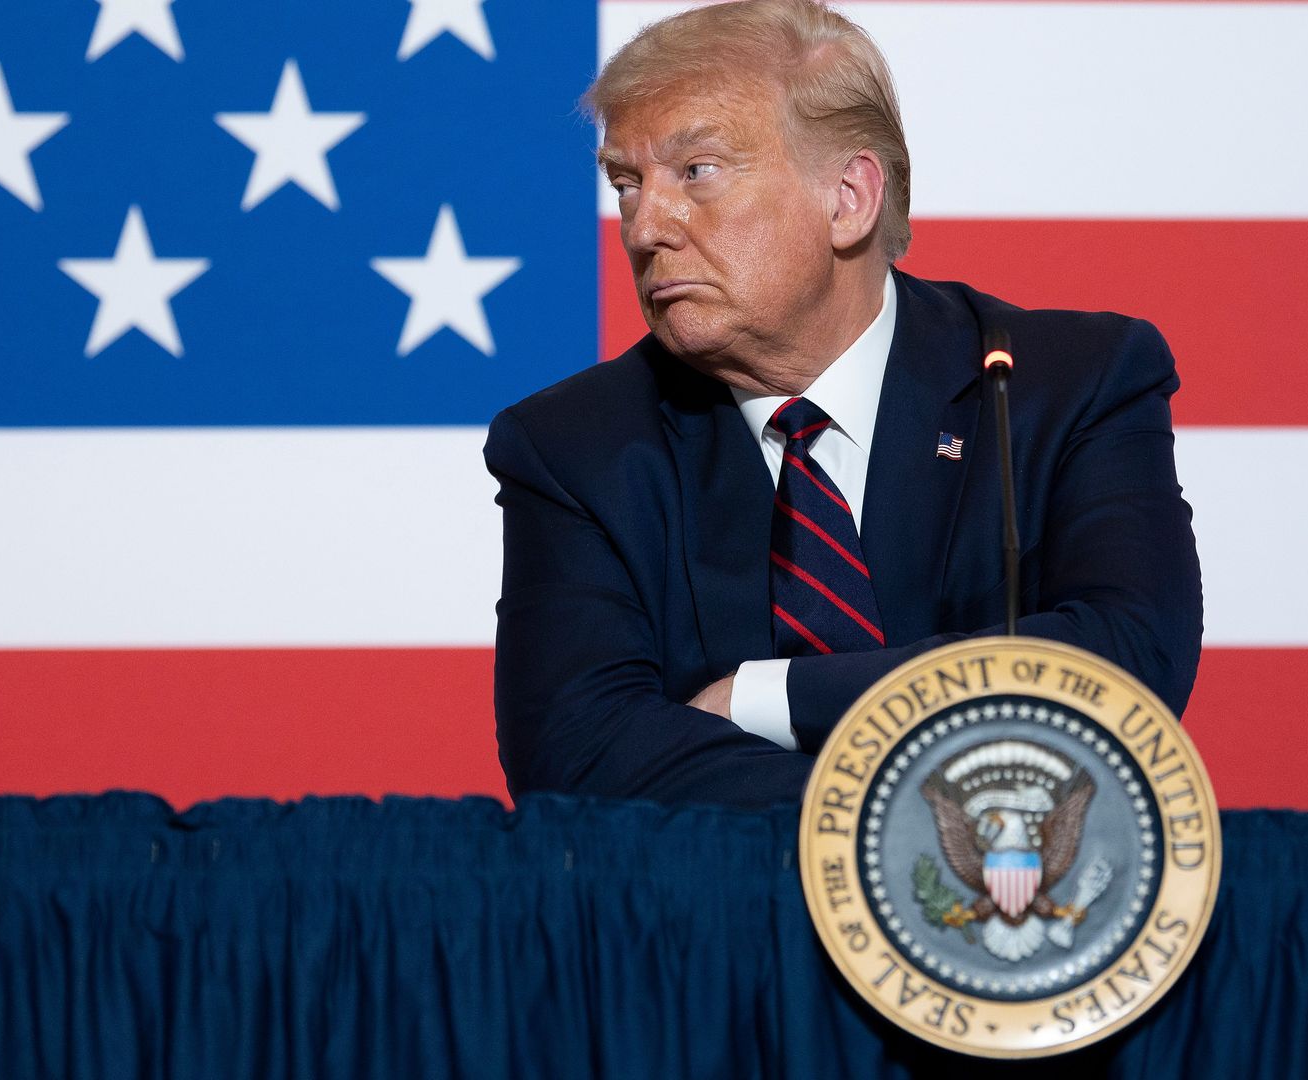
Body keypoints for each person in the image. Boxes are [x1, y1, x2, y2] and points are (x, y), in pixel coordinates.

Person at [483, 0, 1201, 809]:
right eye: (627, 183)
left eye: (698, 172)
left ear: (849, 197)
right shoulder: (574, 447)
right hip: (727, 923)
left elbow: (1126, 662)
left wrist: (770, 697)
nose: (646, 226)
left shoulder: (1066, 384)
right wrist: (909, 824)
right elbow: (577, 753)